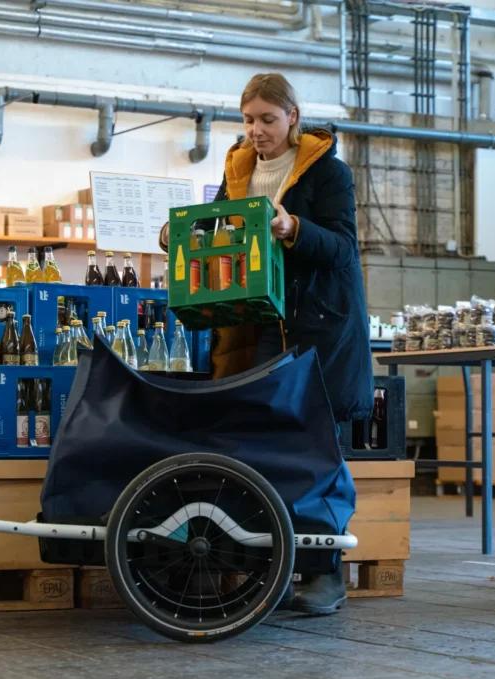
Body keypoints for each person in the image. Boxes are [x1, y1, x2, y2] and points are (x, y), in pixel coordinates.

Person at [160, 73, 373, 615]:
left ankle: (325, 575)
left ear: (293, 117)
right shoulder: (237, 171)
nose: (256, 131)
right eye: (249, 120)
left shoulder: (329, 173)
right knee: (257, 452)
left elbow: (343, 250)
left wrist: (292, 226)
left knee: (316, 454)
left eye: (267, 120)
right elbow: (224, 233)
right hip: (252, 332)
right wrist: (182, 237)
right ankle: (270, 570)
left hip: (314, 334)